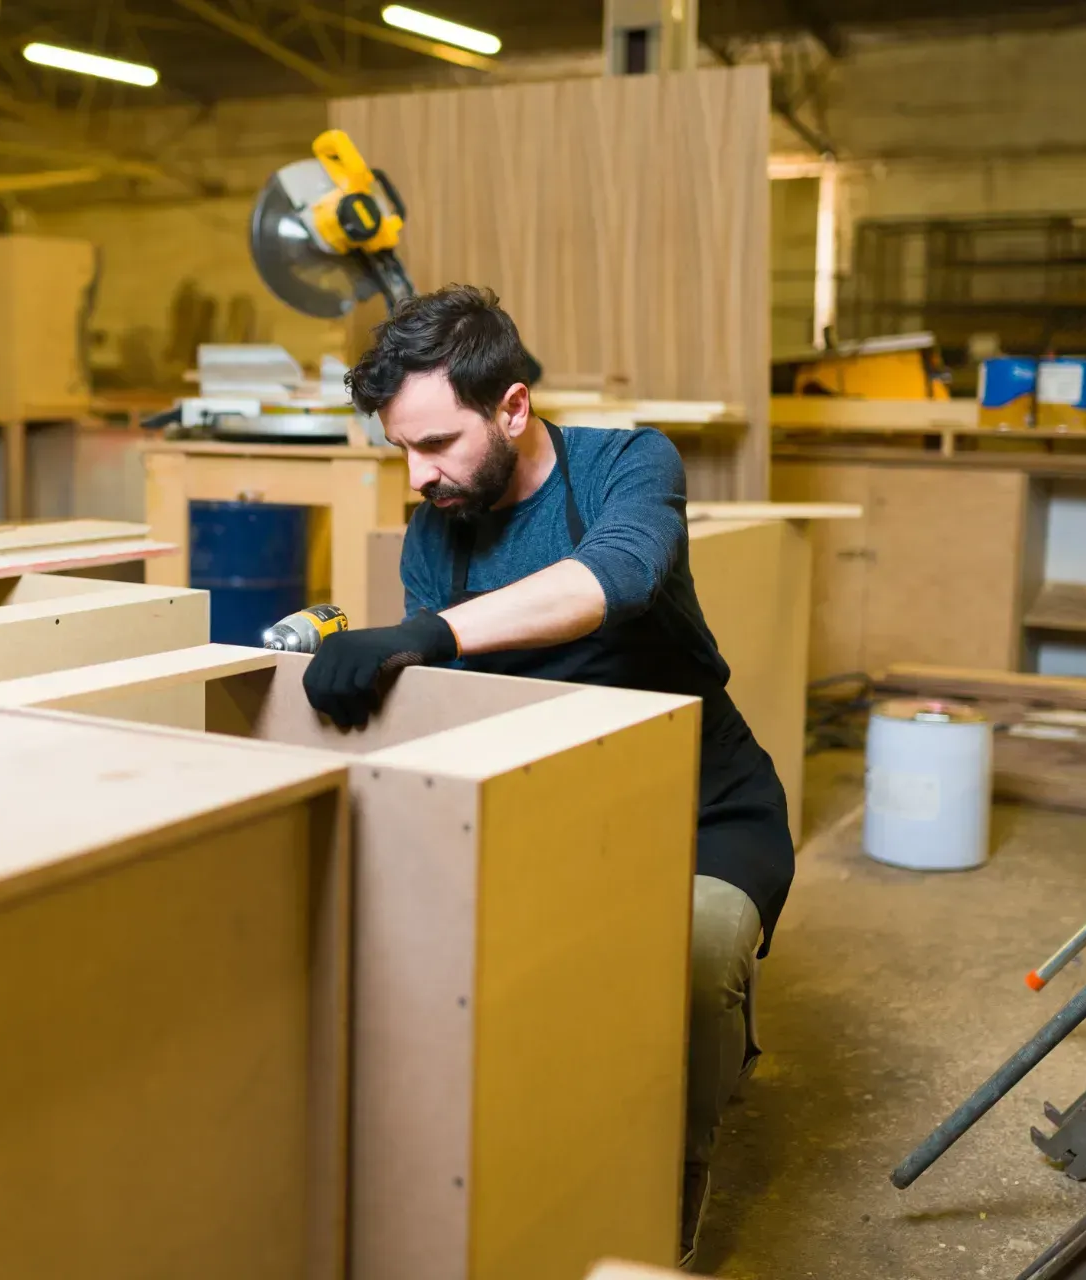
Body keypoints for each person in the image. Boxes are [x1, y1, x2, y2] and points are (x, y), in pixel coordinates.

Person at [303, 284, 794, 1268]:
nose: (420, 475)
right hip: (553, 800)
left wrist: (430, 632)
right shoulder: (436, 529)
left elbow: (610, 579)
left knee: (689, 968)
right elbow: (448, 700)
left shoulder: (628, 462)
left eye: (438, 443)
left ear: (514, 408)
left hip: (706, 807)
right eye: (401, 448)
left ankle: (661, 1207)